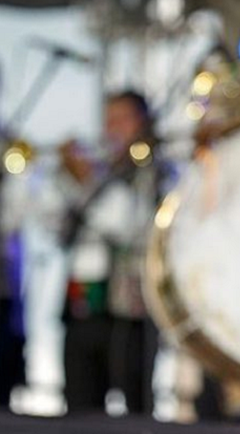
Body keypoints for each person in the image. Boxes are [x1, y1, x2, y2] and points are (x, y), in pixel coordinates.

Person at [59, 90, 164, 415]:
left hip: (128, 310)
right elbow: (53, 222)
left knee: (134, 402)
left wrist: (86, 180)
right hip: (84, 299)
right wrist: (67, 177)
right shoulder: (98, 166)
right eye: (108, 120)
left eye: (122, 119)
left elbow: (130, 226)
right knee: (79, 401)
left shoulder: (152, 170)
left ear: (142, 123)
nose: (112, 129)